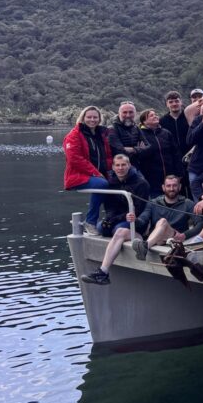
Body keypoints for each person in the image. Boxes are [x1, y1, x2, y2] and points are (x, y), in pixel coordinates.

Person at [80, 154, 151, 285]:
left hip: (135, 220)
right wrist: (111, 219)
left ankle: (103, 272)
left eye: (123, 165)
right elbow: (109, 207)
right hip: (119, 218)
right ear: (113, 167)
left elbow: (140, 209)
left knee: (119, 231)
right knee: (102, 228)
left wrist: (123, 218)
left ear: (129, 165)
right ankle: (126, 234)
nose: (120, 168)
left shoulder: (141, 183)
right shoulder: (111, 182)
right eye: (117, 165)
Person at [63, 105, 112, 236]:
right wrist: (96, 173)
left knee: (117, 184)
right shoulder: (74, 135)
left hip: (100, 174)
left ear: (99, 118)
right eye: (89, 117)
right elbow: (74, 159)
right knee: (102, 184)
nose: (92, 120)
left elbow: (107, 156)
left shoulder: (100, 134)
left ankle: (112, 222)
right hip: (78, 176)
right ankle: (90, 222)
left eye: (95, 117)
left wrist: (115, 169)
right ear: (83, 118)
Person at [130, 174, 203, 259]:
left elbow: (200, 223)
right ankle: (145, 246)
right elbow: (143, 218)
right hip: (158, 239)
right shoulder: (153, 202)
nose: (171, 189)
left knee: (163, 221)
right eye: (168, 186)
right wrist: (135, 220)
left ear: (179, 187)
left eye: (174, 185)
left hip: (174, 238)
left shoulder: (187, 203)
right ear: (163, 187)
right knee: (162, 223)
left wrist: (185, 235)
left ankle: (145, 246)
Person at [137, 108, 181, 191]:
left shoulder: (166, 133)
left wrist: (179, 172)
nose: (155, 116)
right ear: (144, 121)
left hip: (170, 177)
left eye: (155, 114)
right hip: (151, 178)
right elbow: (139, 156)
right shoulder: (139, 134)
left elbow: (175, 153)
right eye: (151, 115)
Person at [159, 91, 190, 187]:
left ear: (181, 102)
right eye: (171, 102)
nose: (174, 104)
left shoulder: (188, 117)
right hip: (172, 160)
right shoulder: (162, 121)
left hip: (190, 157)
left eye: (176, 101)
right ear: (166, 104)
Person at [108, 102, 149, 167]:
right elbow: (119, 151)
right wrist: (138, 149)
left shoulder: (136, 128)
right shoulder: (111, 129)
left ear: (135, 114)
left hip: (136, 165)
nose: (128, 115)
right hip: (119, 168)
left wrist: (132, 150)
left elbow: (148, 148)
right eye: (124, 112)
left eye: (131, 112)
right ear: (119, 114)